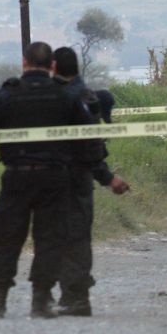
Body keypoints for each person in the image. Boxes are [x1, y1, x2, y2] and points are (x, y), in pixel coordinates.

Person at [0, 42, 106, 319]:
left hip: (17, 177)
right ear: (53, 66)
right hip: (54, 179)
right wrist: (100, 173)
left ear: (24, 63)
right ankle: (40, 302)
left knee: (8, 237)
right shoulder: (65, 95)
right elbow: (87, 135)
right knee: (49, 240)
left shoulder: (8, 92)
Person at [52, 47, 130, 316]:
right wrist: (107, 177)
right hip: (79, 178)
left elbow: (89, 145)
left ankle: (74, 295)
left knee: (62, 237)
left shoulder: (59, 97)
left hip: (57, 177)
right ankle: (75, 293)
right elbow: (93, 147)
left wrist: (107, 177)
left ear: (53, 67)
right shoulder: (87, 97)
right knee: (77, 237)